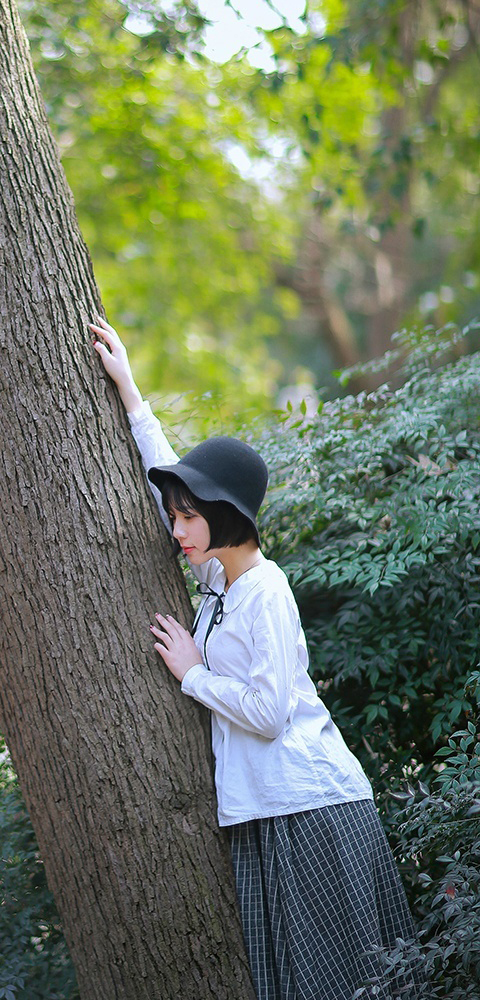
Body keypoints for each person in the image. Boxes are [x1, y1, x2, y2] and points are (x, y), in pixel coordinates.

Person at [89, 316, 419, 1000]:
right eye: (175, 515)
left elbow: (269, 715)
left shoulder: (265, 590)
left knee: (342, 988)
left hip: (313, 810)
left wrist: (193, 676)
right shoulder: (220, 578)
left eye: (188, 516)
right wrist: (129, 393)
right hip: (270, 811)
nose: (175, 528)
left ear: (224, 513)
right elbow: (164, 491)